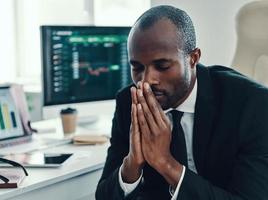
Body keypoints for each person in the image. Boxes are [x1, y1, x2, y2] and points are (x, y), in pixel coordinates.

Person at [95, 5, 268, 200]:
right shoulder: (130, 101)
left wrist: (165, 163)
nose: (147, 80)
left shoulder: (252, 104)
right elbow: (104, 196)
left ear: (193, 58)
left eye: (162, 66)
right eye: (137, 67)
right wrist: (132, 164)